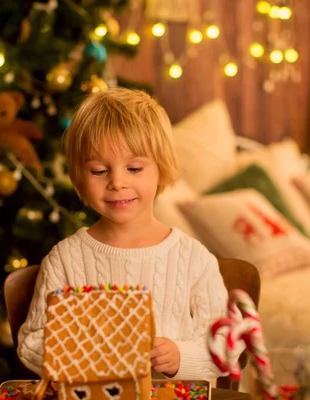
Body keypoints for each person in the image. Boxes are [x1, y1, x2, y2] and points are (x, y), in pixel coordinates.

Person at [17, 87, 229, 380]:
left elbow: (224, 347)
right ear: (79, 176)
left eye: (134, 168)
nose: (117, 182)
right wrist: (84, 357)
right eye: (99, 171)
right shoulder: (65, 259)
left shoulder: (193, 259)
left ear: (161, 170)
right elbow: (31, 343)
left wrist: (181, 356)